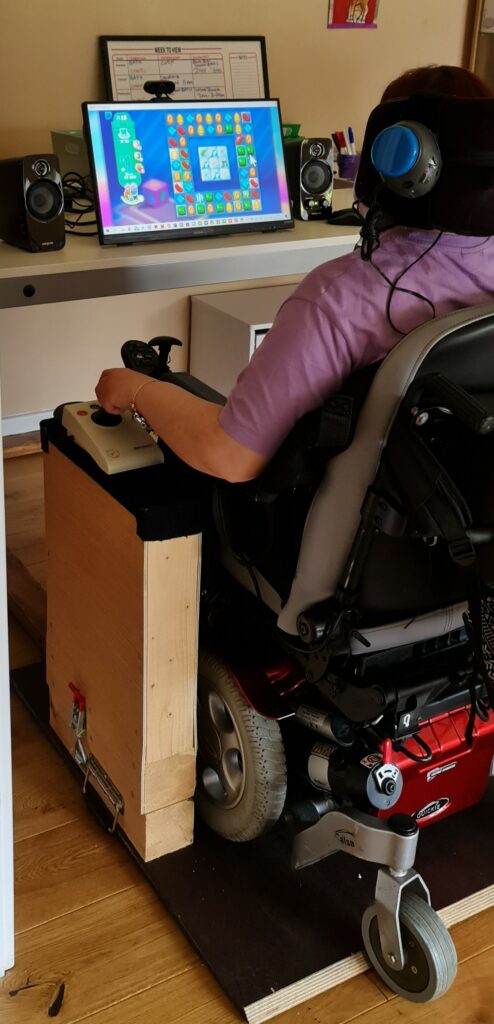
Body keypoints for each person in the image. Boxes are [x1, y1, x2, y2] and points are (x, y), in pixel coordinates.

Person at [95, 65, 494, 484]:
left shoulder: (337, 300)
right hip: (446, 505)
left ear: (391, 161)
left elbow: (228, 456)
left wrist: (137, 389)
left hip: (316, 522)